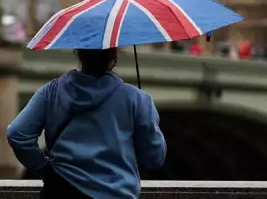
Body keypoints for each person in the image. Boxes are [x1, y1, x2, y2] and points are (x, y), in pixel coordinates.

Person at [6, 48, 167, 198]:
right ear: (114, 56)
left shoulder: (51, 91)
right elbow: (154, 158)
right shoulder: (136, 98)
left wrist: (43, 167)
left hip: (61, 189)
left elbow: (17, 134)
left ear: (79, 54)